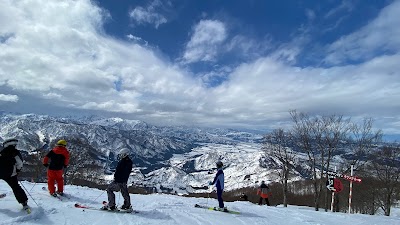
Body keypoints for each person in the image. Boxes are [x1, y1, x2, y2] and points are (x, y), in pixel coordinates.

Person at [0, 138, 30, 211]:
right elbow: (20, 163)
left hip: (0, 172)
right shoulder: (15, 153)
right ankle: (24, 202)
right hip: (11, 174)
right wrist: (17, 170)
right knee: (16, 187)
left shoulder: (2, 152)